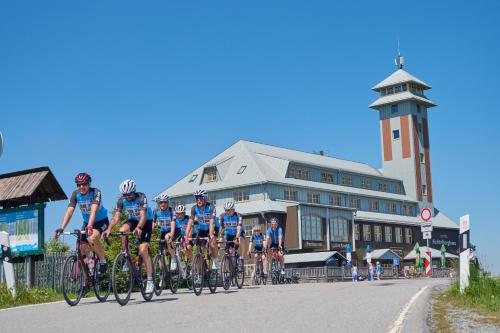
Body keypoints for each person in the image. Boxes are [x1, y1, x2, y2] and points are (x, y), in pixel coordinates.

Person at [102, 179, 154, 294]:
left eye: (129, 194)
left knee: (143, 249)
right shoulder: (121, 201)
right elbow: (116, 218)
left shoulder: (141, 197)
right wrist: (108, 229)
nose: (127, 196)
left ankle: (150, 279)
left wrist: (139, 228)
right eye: (124, 195)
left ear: (134, 192)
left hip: (146, 221)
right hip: (133, 220)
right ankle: (126, 255)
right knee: (122, 230)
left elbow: (143, 216)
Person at [55, 173, 109, 275]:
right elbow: (69, 211)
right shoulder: (75, 194)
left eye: (84, 184)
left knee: (92, 238)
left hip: (101, 221)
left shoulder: (96, 192)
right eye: (78, 185)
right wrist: (62, 228)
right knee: (82, 249)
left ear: (89, 184)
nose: (81, 187)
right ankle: (86, 281)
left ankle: (103, 261)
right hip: (86, 222)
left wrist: (90, 226)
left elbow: (93, 211)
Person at [186, 189, 219, 269]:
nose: (198, 200)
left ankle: (216, 260)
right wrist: (186, 235)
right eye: (197, 198)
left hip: (213, 227)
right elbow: (190, 222)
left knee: (212, 243)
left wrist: (211, 235)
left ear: (205, 198)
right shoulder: (194, 208)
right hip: (202, 228)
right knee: (199, 248)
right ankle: (202, 268)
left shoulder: (211, 207)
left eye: (200, 198)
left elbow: (212, 222)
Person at [153, 193, 176, 268]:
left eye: (165, 202)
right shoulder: (156, 211)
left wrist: (171, 235)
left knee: (167, 237)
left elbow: (173, 223)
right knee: (160, 252)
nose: (163, 204)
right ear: (159, 203)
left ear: (168, 203)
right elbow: (153, 223)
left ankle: (173, 259)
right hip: (163, 231)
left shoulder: (171, 210)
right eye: (161, 202)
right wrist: (150, 233)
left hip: (173, 230)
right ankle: (163, 273)